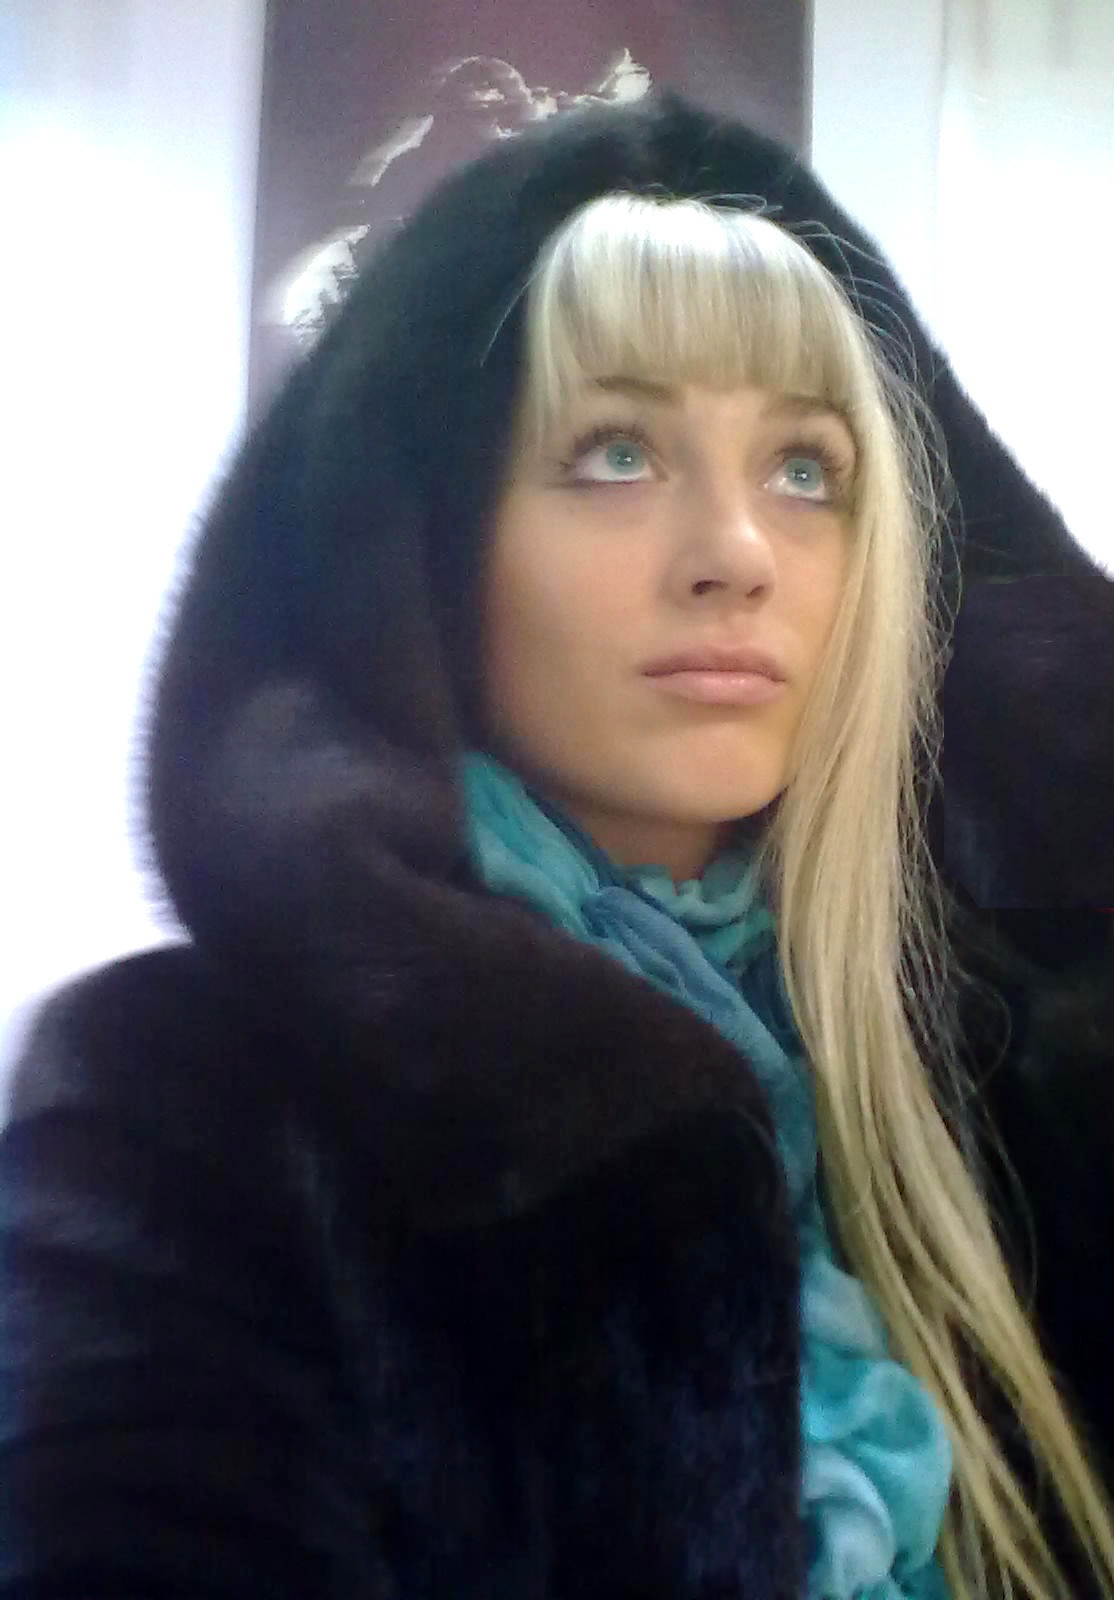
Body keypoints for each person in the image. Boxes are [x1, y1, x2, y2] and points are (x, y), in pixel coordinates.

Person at [2, 86, 1112, 1600]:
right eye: (615, 454)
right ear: (430, 553)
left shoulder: (1016, 1101)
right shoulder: (189, 1102)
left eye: (805, 471)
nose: (736, 554)